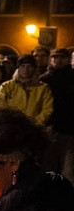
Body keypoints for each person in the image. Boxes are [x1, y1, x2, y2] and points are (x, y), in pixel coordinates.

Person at [0, 53, 53, 127]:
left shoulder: (43, 88)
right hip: (11, 128)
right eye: (22, 66)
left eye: (29, 66)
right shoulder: (7, 86)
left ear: (34, 69)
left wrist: (33, 124)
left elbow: (47, 110)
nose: (25, 69)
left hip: (34, 130)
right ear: (18, 69)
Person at [42, 47, 74, 178]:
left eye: (62, 57)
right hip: (50, 129)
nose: (58, 60)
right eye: (55, 57)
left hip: (70, 129)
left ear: (68, 59)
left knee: (69, 169)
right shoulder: (44, 79)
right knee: (49, 168)